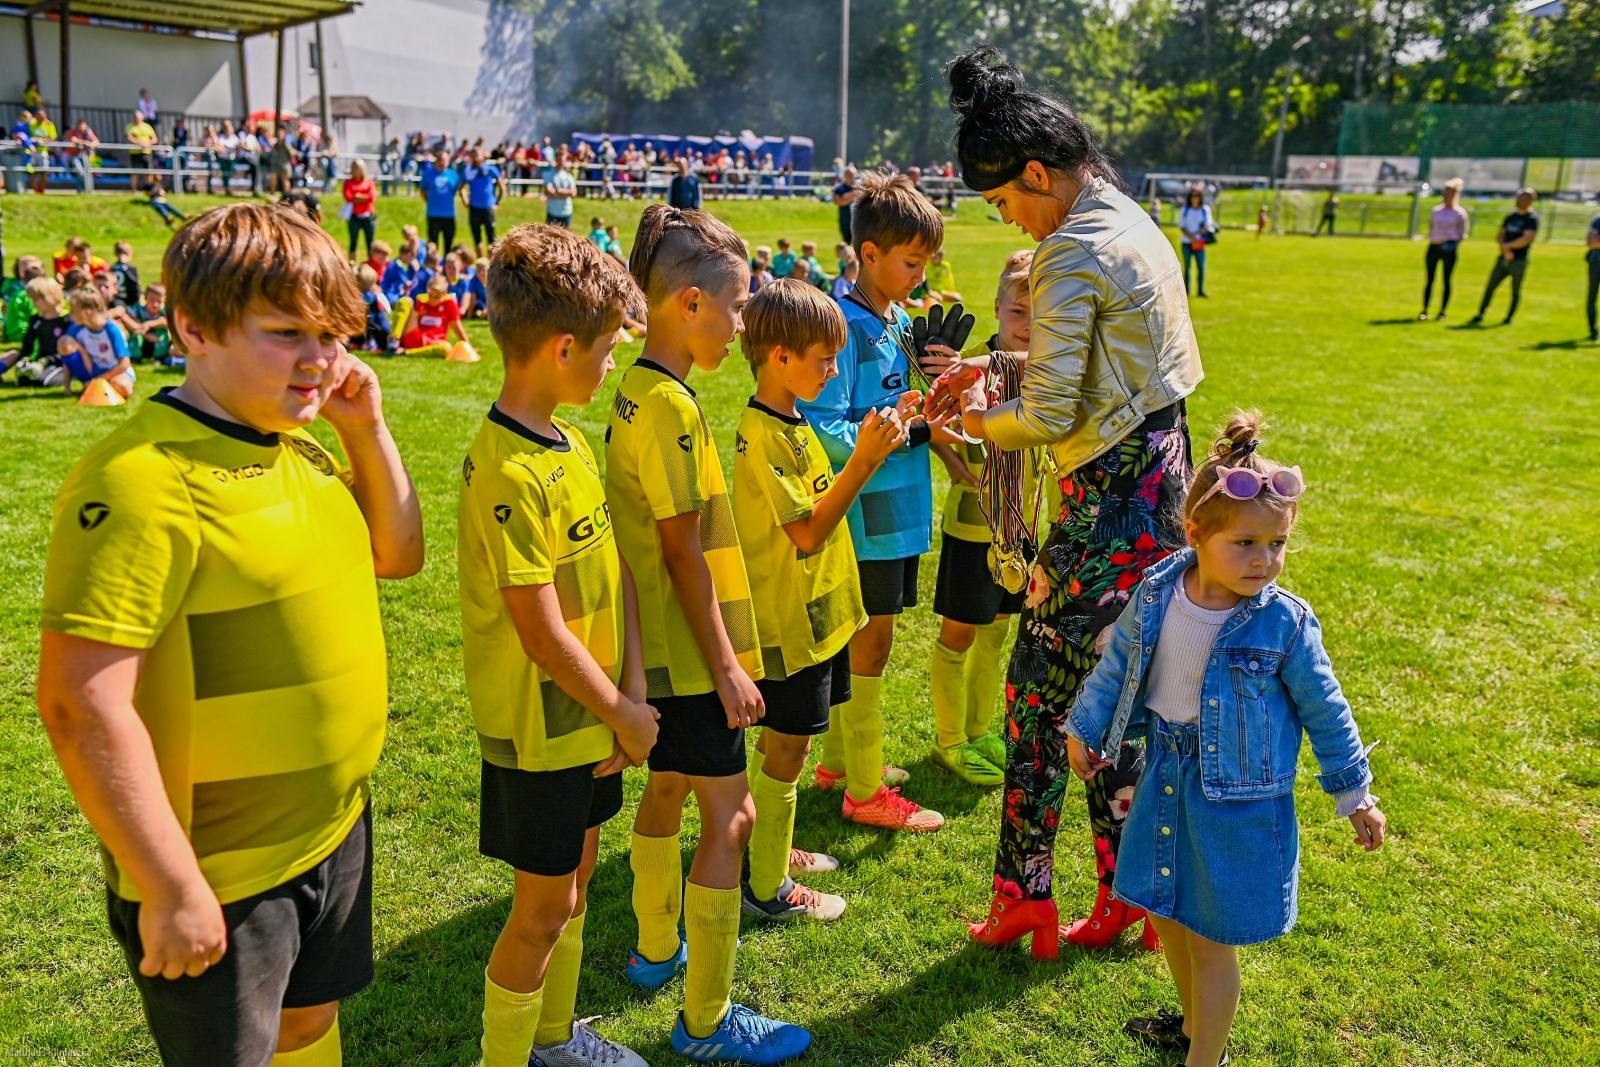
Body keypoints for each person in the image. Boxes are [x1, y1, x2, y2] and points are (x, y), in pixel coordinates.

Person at [37, 202, 421, 1066]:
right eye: (288, 333)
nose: (321, 359)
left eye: (331, 334)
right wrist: (171, 885)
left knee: (311, 1027)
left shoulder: (304, 448)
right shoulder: (142, 481)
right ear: (193, 326)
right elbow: (77, 704)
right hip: (221, 873)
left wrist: (365, 428)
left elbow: (397, 553)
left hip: (333, 829)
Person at [931, 45, 1202, 956]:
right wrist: (997, 368)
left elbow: (1049, 413)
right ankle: (1125, 895)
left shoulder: (1069, 252)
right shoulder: (1132, 219)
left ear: (1040, 174)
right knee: (1112, 697)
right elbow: (1098, 377)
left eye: (1008, 203)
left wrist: (975, 419)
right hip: (1161, 480)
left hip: (1105, 503)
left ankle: (1026, 897)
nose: (1012, 220)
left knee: (1036, 703)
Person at [1067, 413, 1386, 1067]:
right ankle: (1191, 1027)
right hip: (1165, 775)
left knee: (1211, 937)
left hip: (1237, 802)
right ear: (1196, 534)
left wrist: (1355, 794)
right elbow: (1120, 662)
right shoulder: (1159, 594)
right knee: (1166, 912)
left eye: (1277, 544)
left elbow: (1327, 709)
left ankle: (1204, 1059)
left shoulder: (1283, 624)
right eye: (1246, 542)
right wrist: (1087, 726)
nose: (1264, 559)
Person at [607, 205, 811, 1065]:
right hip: (691, 658)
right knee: (731, 818)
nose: (741, 323)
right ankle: (707, 1020)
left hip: (660, 653)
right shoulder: (672, 409)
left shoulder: (638, 392)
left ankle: (656, 948)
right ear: (689, 303)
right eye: (735, 307)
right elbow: (681, 552)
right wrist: (727, 665)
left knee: (667, 791)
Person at [460, 224, 655, 1067]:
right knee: (539, 910)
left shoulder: (571, 441)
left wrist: (632, 696)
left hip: (596, 723)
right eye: (608, 350)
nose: (613, 364)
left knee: (572, 893)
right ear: (563, 346)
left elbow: (615, 577)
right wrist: (621, 709)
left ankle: (555, 1040)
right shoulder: (504, 470)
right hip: (544, 735)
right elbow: (538, 630)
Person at [735, 279, 909, 924]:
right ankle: (766, 885)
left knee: (790, 746)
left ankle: (767, 846)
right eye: (824, 359)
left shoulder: (795, 419)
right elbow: (806, 532)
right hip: (788, 623)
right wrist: (862, 462)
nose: (834, 371)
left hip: (820, 618)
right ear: (779, 356)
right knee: (786, 748)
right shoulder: (763, 433)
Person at [797, 170, 959, 833]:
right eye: (911, 262)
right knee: (871, 643)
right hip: (865, 514)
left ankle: (841, 761)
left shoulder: (891, 318)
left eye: (926, 263)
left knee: (866, 640)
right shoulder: (844, 325)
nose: (920, 275)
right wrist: (916, 428)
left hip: (898, 511)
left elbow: (886, 403)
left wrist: (934, 382)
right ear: (868, 255)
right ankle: (864, 790)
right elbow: (826, 427)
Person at [928, 250, 1033, 787]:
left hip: (1023, 529)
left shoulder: (1047, 371)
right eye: (1019, 311)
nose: (1029, 325)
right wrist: (953, 458)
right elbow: (931, 424)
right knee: (961, 633)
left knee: (997, 631)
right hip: (974, 527)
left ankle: (978, 728)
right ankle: (950, 741)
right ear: (997, 307)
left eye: (1043, 314)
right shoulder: (970, 366)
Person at [1469, 188, 1539, 326]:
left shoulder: (1532, 219)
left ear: (1530, 200)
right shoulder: (1511, 216)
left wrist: (1508, 247)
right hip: (1503, 258)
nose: (1517, 201)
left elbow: (1527, 238)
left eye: (1521, 198)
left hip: (1519, 260)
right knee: (1490, 286)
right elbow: (1500, 234)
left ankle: (1509, 317)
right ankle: (1481, 313)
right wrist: (1504, 248)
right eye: (1517, 198)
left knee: (1515, 290)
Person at [56, 288, 135, 399]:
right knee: (64, 342)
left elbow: (124, 364)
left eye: (74, 311)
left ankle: (92, 386)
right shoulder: (76, 328)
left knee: (124, 387)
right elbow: (66, 356)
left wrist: (99, 380)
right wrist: (67, 387)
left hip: (114, 372)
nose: (71, 315)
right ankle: (89, 384)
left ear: (87, 312)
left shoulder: (111, 329)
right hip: (92, 370)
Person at [0, 276, 69, 378]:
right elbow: (28, 345)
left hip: (58, 363)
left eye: (36, 299)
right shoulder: (36, 320)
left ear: (49, 297)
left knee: (40, 381)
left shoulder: (66, 320)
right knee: (21, 376)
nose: (34, 303)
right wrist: (24, 359)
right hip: (37, 362)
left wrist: (47, 361)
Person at [1420, 178, 1468, 321]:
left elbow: (1463, 234)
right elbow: (1431, 228)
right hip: (1434, 247)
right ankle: (1425, 309)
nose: (1447, 196)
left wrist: (1452, 244)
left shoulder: (1459, 213)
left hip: (1449, 249)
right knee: (1430, 279)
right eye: (1446, 193)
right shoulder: (1436, 211)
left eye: (1451, 193)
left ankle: (1442, 311)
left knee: (1446, 280)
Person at [398, 274, 466, 354]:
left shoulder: (450, 303)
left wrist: (467, 345)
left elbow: (456, 325)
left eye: (436, 297)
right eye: (430, 295)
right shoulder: (421, 300)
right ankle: (394, 340)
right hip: (415, 336)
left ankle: (407, 352)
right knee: (405, 301)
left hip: (434, 342)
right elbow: (411, 320)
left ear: (445, 293)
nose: (432, 299)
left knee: (446, 348)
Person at [462, 147, 506, 259]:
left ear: (483, 155)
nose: (476, 157)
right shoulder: (468, 171)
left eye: (478, 154)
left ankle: (490, 262)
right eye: (474, 155)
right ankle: (480, 262)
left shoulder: (491, 169)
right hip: (474, 208)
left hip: (488, 208)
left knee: (491, 239)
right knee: (477, 239)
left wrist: (497, 202)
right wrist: (465, 200)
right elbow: (462, 188)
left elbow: (502, 187)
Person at [420, 149, 463, 251]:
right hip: (433, 214)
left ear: (448, 161)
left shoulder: (453, 175)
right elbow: (422, 191)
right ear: (436, 160)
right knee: (432, 243)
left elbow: (456, 190)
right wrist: (430, 200)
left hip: (449, 214)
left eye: (444, 160)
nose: (442, 162)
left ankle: (447, 265)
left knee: (448, 242)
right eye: (440, 159)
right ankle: (434, 264)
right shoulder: (428, 174)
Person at [1177, 185, 1212, 298]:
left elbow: (1207, 225)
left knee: (1201, 266)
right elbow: (1182, 225)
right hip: (1187, 242)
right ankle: (1187, 290)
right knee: (1187, 267)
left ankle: (1200, 290)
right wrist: (1191, 237)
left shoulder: (1205, 210)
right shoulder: (1185, 209)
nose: (1195, 198)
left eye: (1197, 196)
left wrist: (1196, 236)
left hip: (1199, 242)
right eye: (1193, 195)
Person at [4, 256, 46, 344]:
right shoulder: (27, 294)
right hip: (22, 332)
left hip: (11, 330)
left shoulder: (17, 290)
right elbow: (34, 315)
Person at [127, 283, 172, 364]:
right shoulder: (138, 310)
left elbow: (167, 321)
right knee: (135, 334)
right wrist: (145, 334)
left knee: (163, 333)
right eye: (152, 300)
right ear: (145, 298)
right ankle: (135, 357)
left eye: (159, 301)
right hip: (142, 339)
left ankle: (160, 357)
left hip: (157, 340)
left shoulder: (164, 311)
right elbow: (128, 317)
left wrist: (149, 324)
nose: (155, 304)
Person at [343, 158, 378, 261]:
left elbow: (372, 198)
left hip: (368, 216)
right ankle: (352, 262)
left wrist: (358, 196)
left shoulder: (369, 183)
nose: (354, 170)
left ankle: (371, 262)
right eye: (353, 167)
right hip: (354, 216)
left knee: (370, 242)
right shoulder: (348, 182)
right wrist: (364, 197)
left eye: (357, 167)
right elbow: (348, 197)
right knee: (353, 241)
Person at [544, 159, 576, 228]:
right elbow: (550, 191)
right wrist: (566, 193)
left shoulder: (568, 176)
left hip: (566, 211)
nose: (561, 161)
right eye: (560, 159)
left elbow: (573, 193)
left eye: (563, 160)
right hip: (553, 211)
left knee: (565, 236)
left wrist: (560, 191)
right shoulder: (548, 174)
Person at [110, 241, 141, 308]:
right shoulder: (130, 269)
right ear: (127, 254)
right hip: (130, 300)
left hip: (116, 300)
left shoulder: (112, 268)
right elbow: (136, 283)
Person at [833, 165, 859, 243]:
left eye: (853, 174)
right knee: (846, 240)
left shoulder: (859, 186)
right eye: (849, 174)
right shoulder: (840, 188)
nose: (852, 176)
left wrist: (845, 197)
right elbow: (837, 201)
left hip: (857, 218)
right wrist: (852, 197)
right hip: (845, 218)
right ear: (845, 175)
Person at [1587, 208, 1600, 343]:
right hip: (1597, 259)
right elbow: (1592, 241)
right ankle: (1593, 330)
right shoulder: (1598, 219)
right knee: (1592, 295)